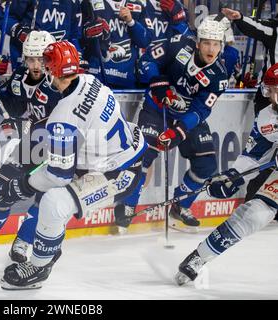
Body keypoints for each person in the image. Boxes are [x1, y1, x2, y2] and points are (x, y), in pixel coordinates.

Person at [0, 40, 147, 290]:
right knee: (56, 196)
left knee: (54, 202)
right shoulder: (89, 81)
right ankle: (50, 245)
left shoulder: (64, 116)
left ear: (52, 71)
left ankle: (39, 268)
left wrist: (21, 186)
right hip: (122, 155)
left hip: (119, 174)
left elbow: (59, 176)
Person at [117, 17, 228, 231]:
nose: (211, 48)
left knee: (207, 165)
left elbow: (202, 109)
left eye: (216, 44)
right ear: (197, 42)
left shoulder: (219, 76)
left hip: (185, 116)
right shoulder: (178, 44)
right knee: (143, 155)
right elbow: (146, 60)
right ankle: (127, 204)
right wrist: (158, 82)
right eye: (206, 42)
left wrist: (180, 129)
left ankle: (180, 205)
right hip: (157, 108)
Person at [0, 30, 62, 264]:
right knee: (0, 191)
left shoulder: (59, 83)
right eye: (31, 59)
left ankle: (24, 241)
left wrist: (22, 125)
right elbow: (11, 108)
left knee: (45, 201)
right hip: (32, 145)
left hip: (58, 150)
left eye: (41, 59)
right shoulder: (19, 78)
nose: (36, 65)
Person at [175, 63, 278, 286]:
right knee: (255, 214)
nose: (277, 96)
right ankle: (198, 257)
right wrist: (232, 175)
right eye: (274, 90)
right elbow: (254, 156)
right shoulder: (267, 118)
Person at [222, 7, 278, 206]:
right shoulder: (275, 30)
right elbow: (257, 27)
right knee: (264, 151)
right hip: (270, 101)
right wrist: (240, 18)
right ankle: (256, 201)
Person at [81, 0, 150, 88]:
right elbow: (77, 37)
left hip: (125, 78)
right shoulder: (89, 3)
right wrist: (86, 34)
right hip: (96, 77)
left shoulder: (138, 6)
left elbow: (145, 41)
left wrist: (131, 22)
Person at [3, 0, 83, 69]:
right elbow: (5, 16)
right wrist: (18, 31)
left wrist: (77, 56)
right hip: (28, 58)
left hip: (58, 60)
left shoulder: (73, 2)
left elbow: (74, 35)